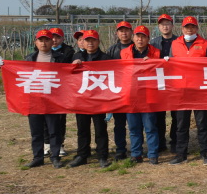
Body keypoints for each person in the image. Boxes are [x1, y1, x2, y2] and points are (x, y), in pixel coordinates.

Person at [169, 17, 207, 165]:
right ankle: (181, 154)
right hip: (181, 91)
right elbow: (170, 65)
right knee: (181, 124)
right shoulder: (175, 44)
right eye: (187, 27)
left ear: (197, 28)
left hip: (200, 91)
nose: (189, 30)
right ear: (182, 29)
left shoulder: (205, 44)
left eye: (192, 27)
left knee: (203, 123)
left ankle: (206, 153)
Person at [23, 30, 67, 168]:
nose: (43, 43)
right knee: (36, 131)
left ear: (51, 42)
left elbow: (68, 76)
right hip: (35, 99)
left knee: (54, 130)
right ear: (35, 42)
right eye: (40, 40)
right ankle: (38, 157)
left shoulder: (60, 58)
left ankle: (55, 157)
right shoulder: (29, 59)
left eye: (47, 40)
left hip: (53, 100)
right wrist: (4, 66)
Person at [68, 30, 112, 168]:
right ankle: (82, 155)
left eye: (93, 40)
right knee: (82, 129)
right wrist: (73, 66)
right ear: (83, 42)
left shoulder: (105, 58)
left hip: (99, 100)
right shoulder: (77, 56)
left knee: (100, 129)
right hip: (82, 99)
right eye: (87, 40)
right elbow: (69, 76)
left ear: (98, 42)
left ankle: (102, 156)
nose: (90, 43)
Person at [119, 25, 161, 165]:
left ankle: (153, 154)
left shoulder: (156, 53)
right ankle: (136, 153)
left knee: (150, 127)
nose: (140, 39)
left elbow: (162, 69)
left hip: (148, 95)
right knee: (133, 127)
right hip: (131, 94)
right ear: (133, 38)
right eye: (137, 36)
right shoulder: (124, 52)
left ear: (148, 39)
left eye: (143, 37)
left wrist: (152, 62)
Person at [150, 14, 178, 153]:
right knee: (159, 115)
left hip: (175, 81)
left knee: (176, 115)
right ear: (159, 27)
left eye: (167, 24)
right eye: (162, 24)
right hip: (159, 82)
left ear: (172, 25)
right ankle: (160, 142)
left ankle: (175, 142)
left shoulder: (179, 41)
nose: (165, 27)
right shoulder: (153, 43)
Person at [107, 21, 134, 161]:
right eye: (121, 31)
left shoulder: (137, 48)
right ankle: (120, 149)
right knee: (119, 123)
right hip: (118, 91)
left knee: (135, 123)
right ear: (117, 33)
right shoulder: (112, 50)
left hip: (135, 91)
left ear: (131, 32)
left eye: (127, 30)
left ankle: (136, 149)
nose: (124, 33)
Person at [46, 27, 74, 158]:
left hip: (62, 89)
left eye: (58, 37)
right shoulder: (40, 51)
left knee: (60, 118)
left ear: (63, 39)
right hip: (45, 88)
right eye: (52, 37)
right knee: (44, 117)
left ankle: (60, 144)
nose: (54, 40)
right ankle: (46, 144)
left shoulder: (68, 52)